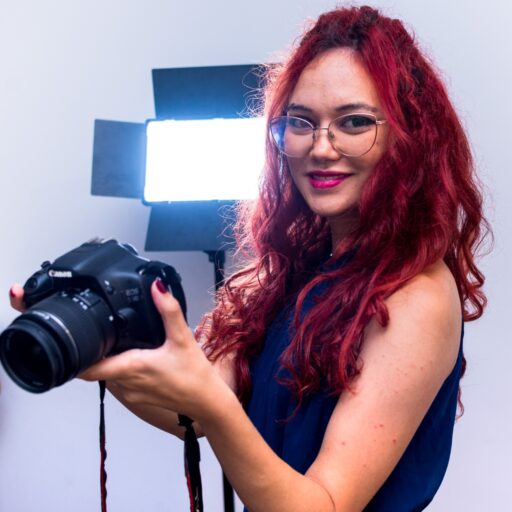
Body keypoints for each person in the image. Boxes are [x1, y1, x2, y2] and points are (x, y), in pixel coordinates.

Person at [10, 5, 489, 511]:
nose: (321, 148)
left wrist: (212, 404)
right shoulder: (289, 273)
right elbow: (193, 413)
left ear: (406, 135)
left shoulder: (416, 296)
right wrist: (98, 342)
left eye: (353, 122)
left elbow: (320, 505)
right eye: (301, 122)